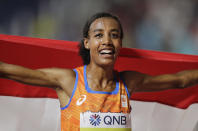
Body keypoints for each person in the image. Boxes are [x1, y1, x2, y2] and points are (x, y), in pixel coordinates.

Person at [0, 12, 198, 131]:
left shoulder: (128, 82)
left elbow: (179, 81)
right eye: (99, 35)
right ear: (87, 43)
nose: (107, 41)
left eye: (114, 35)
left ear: (120, 43)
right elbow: (9, 71)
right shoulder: (69, 81)